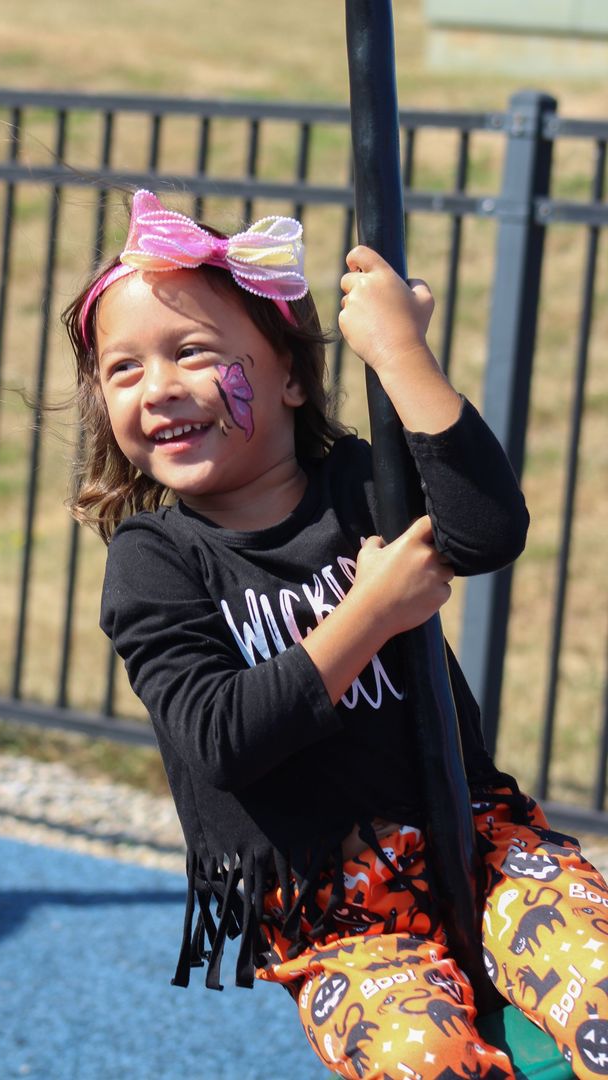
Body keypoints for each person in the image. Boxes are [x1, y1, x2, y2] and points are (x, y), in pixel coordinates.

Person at [63, 189, 608, 1080]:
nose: (157, 386)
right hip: (331, 911)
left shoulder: (360, 483)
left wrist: (402, 357)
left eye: (191, 353)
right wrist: (371, 612)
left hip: (475, 836)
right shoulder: (155, 559)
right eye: (123, 371)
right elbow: (222, 740)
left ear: (289, 374)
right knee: (425, 1058)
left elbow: (486, 530)